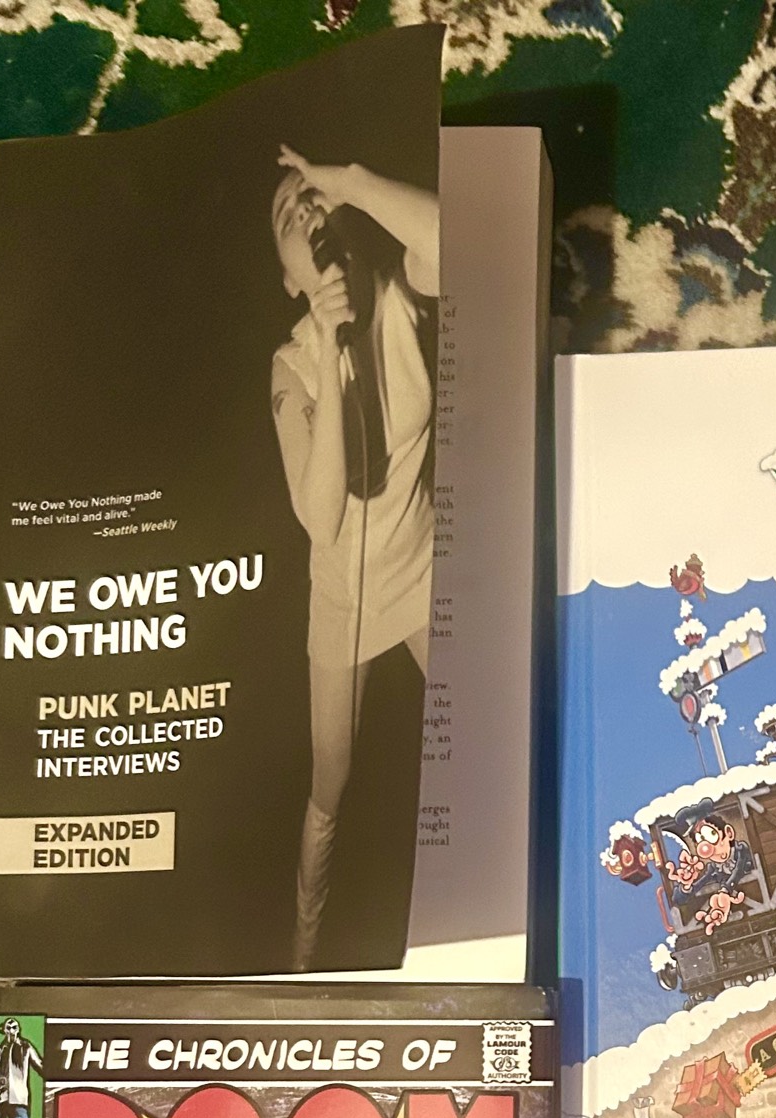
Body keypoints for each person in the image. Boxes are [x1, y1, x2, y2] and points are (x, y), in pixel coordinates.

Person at [270, 145, 439, 969]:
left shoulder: (401, 295)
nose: (303, 207)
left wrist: (355, 184)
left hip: (423, 566)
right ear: (289, 278)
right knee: (328, 783)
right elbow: (320, 514)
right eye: (285, 213)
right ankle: (304, 942)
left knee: (485, 724)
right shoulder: (291, 364)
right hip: (342, 598)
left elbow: (456, 238)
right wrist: (332, 343)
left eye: (311, 196)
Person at [0, 1017, 41, 1118]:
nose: (11, 1031)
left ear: (18, 1029)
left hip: (18, 1098)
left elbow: (40, 1065)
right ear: (4, 1030)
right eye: (9, 1028)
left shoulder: (25, 1047)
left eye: (14, 1027)